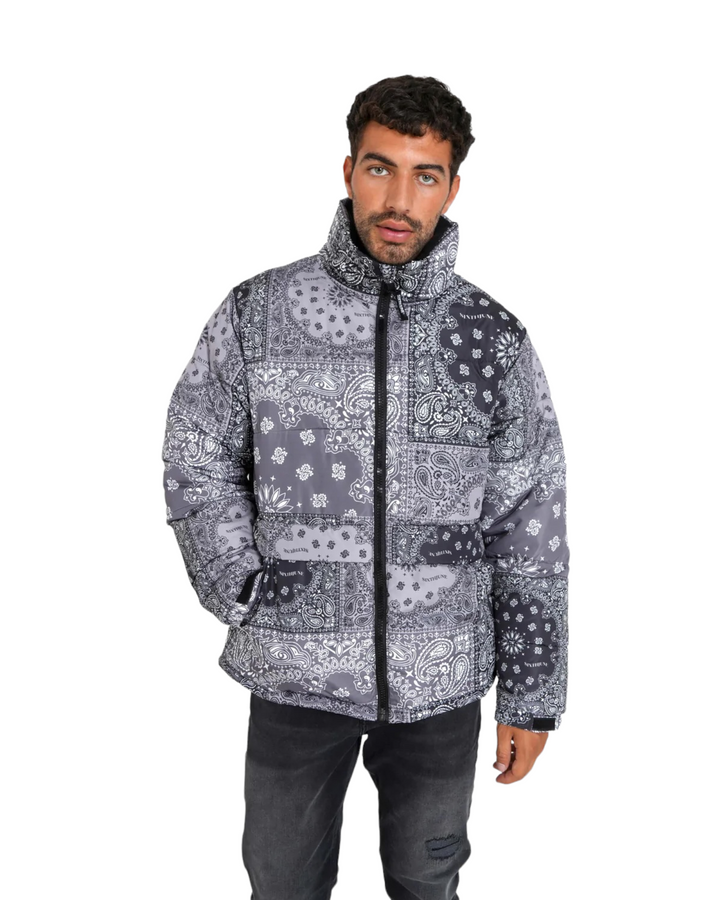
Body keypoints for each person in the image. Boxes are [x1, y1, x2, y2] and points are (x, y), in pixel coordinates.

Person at [162, 74, 570, 900]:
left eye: (425, 176)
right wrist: (239, 584)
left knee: (427, 882)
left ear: (452, 188)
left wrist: (531, 693)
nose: (399, 199)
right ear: (349, 170)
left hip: (442, 677)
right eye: (380, 168)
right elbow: (197, 453)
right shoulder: (259, 313)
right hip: (295, 669)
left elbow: (530, 519)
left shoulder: (490, 337)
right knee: (282, 883)